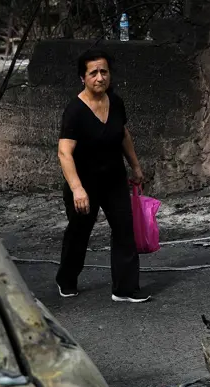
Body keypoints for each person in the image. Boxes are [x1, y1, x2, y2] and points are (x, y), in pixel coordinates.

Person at [56, 48, 150, 303]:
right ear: (83, 78)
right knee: (79, 232)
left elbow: (124, 135)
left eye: (104, 72)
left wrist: (136, 167)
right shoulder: (74, 111)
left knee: (124, 229)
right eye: (93, 73)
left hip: (114, 179)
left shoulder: (116, 102)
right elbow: (65, 153)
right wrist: (77, 188)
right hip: (84, 182)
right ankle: (66, 279)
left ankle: (125, 289)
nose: (100, 77)